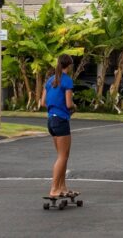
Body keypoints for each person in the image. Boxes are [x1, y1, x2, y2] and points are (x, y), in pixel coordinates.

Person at [41, 53, 76, 198]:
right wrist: (74, 106)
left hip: (51, 120)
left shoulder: (50, 81)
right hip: (61, 121)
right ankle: (54, 188)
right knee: (62, 156)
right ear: (69, 65)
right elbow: (69, 104)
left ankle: (62, 187)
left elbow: (43, 102)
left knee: (63, 156)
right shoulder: (67, 81)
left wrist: (55, 106)